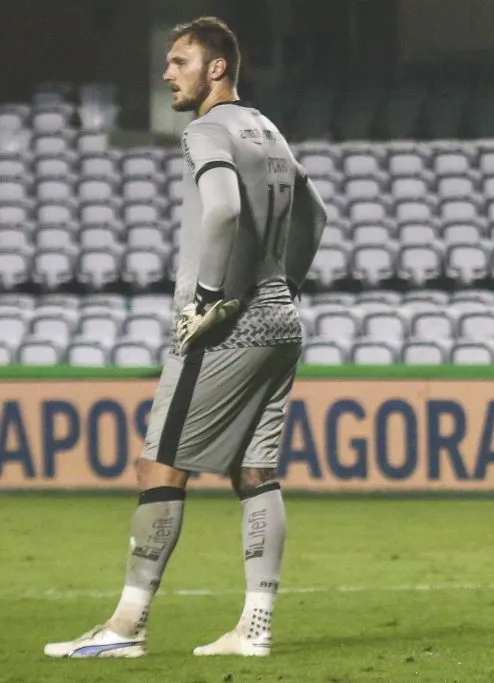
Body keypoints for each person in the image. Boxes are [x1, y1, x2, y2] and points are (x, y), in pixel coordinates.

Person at [45, 16, 327, 658]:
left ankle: (125, 628)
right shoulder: (270, 131)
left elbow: (223, 206)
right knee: (257, 472)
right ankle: (254, 629)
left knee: (158, 465)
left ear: (216, 68)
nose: (167, 73)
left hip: (226, 324)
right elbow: (317, 215)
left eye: (179, 61)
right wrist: (285, 286)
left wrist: (208, 300)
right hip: (281, 320)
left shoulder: (206, 129)